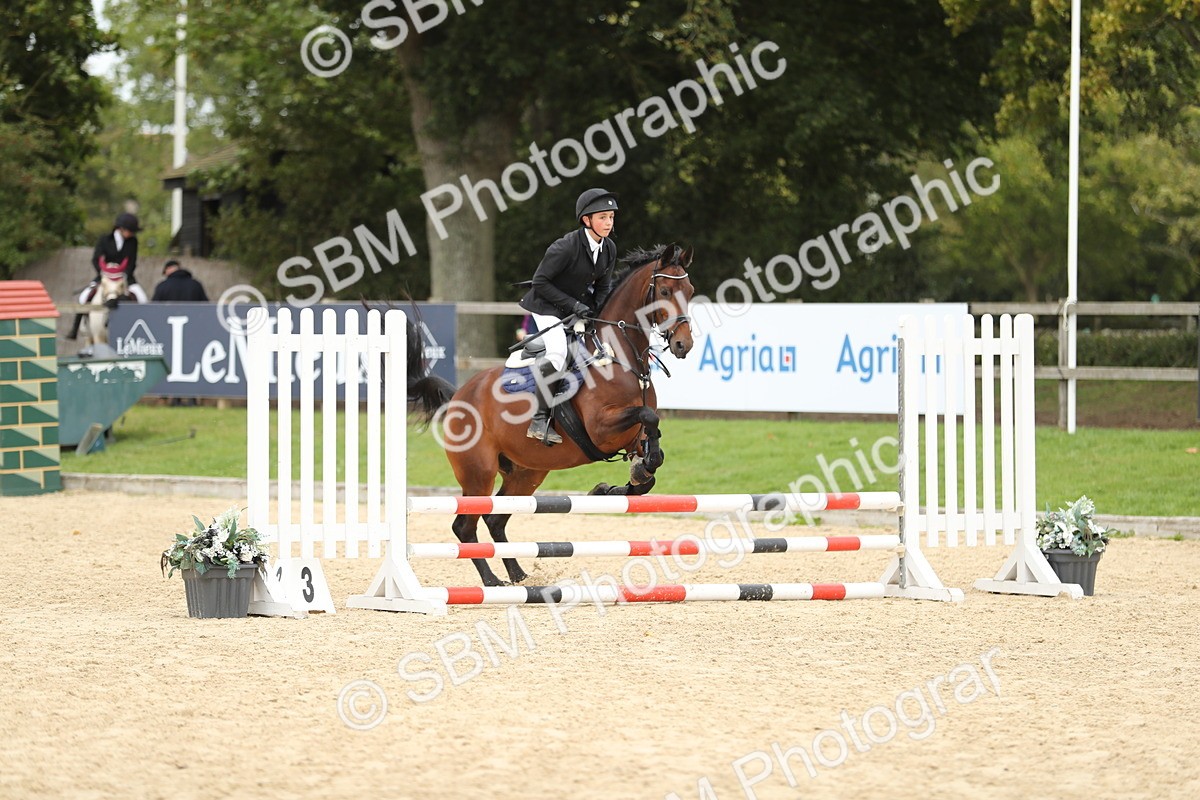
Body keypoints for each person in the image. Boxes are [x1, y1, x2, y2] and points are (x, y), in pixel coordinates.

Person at [517, 188, 619, 444]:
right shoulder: (565, 247)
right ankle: (538, 421)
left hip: (576, 309)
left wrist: (597, 310)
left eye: (611, 217)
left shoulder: (609, 248)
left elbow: (604, 286)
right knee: (558, 353)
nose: (608, 223)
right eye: (603, 217)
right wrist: (574, 305)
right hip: (546, 308)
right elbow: (540, 282)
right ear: (587, 220)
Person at [68, 212, 148, 339]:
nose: (132, 234)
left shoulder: (133, 242)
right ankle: (75, 330)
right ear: (121, 229)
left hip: (125, 277)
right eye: (130, 231)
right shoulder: (104, 239)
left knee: (142, 298)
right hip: (105, 276)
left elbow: (132, 262)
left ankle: (144, 327)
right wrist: (104, 274)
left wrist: (124, 276)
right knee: (83, 297)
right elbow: (96, 259)